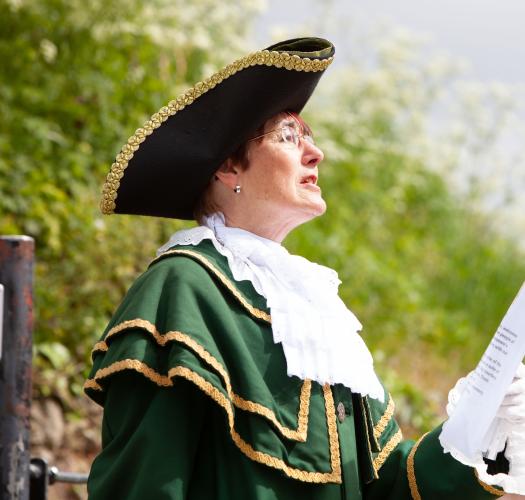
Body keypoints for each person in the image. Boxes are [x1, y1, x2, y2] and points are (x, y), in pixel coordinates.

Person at [84, 37, 525, 499]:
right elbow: (142, 487)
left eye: (309, 135)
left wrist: (479, 423)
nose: (315, 153)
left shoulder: (316, 315)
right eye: (289, 136)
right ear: (228, 168)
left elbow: (392, 487)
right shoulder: (183, 287)